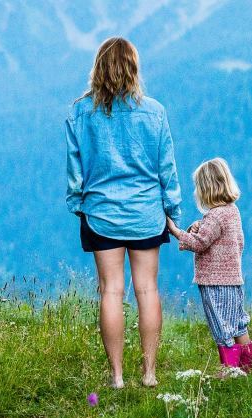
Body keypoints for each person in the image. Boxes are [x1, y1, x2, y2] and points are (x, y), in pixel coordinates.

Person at [65, 37, 182, 388]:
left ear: (98, 68)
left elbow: (75, 169)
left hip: (101, 214)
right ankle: (149, 374)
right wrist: (172, 210)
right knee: (147, 289)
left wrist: (78, 204)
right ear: (134, 68)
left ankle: (117, 377)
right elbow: (167, 169)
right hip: (147, 214)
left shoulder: (79, 113)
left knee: (111, 291)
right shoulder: (155, 112)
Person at [166, 158, 252, 374]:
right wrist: (200, 225)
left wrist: (176, 231)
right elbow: (236, 240)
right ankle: (247, 368)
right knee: (238, 323)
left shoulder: (215, 216)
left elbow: (200, 243)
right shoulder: (232, 211)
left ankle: (229, 371)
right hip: (234, 279)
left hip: (214, 282)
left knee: (221, 325)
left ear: (207, 188)